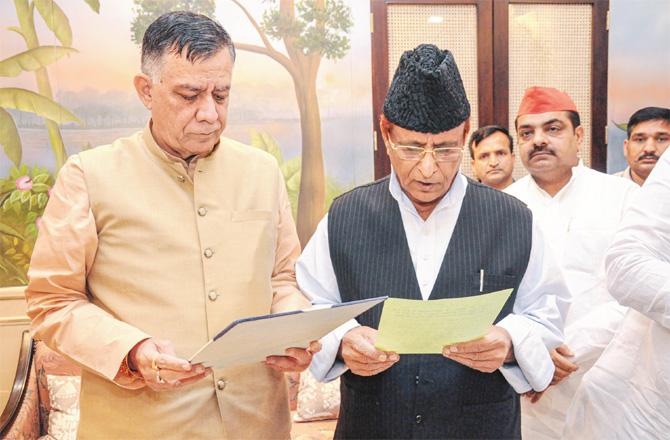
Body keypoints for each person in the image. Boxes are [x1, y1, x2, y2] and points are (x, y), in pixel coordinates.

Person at [25, 12, 317, 439]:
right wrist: (132, 350)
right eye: (189, 94)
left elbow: (282, 278)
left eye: (221, 94)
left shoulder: (263, 171)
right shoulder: (89, 175)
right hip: (143, 426)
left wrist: (293, 324)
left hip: (257, 423)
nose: (209, 114)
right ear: (146, 90)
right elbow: (52, 302)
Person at [296, 44, 569, 439]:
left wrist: (510, 340)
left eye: (445, 149)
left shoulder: (513, 218)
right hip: (373, 425)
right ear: (385, 131)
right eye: (410, 148)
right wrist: (341, 340)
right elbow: (309, 304)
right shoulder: (344, 215)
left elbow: (548, 311)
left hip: (481, 425)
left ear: (465, 131)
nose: (427, 168)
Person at [505, 86, 638, 439]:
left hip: (608, 376)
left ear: (578, 136)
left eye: (553, 129)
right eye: (526, 132)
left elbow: (638, 292)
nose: (538, 141)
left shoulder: (622, 197)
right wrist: (533, 352)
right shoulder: (500, 207)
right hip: (527, 388)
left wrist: (570, 350)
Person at [564, 149, 670, 439]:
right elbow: (628, 267)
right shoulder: (511, 200)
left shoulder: (617, 192)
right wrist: (543, 354)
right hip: (644, 407)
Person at [615, 106, 670, 185]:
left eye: (661, 139)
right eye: (640, 140)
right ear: (626, 148)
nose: (649, 149)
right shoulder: (604, 191)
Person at [468, 125, 516, 190]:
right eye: (484, 156)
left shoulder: (531, 198)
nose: (493, 163)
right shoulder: (463, 199)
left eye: (500, 153)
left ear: (513, 159)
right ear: (473, 166)